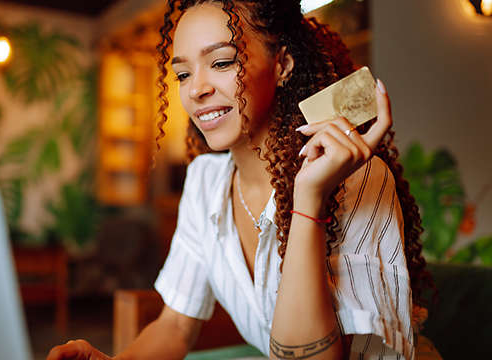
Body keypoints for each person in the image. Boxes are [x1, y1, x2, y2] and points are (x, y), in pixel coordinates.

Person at [48, 0, 434, 359]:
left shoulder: (355, 179)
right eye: (183, 73)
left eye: (221, 62)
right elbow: (177, 324)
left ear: (282, 64)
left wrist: (309, 199)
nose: (197, 89)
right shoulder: (205, 182)